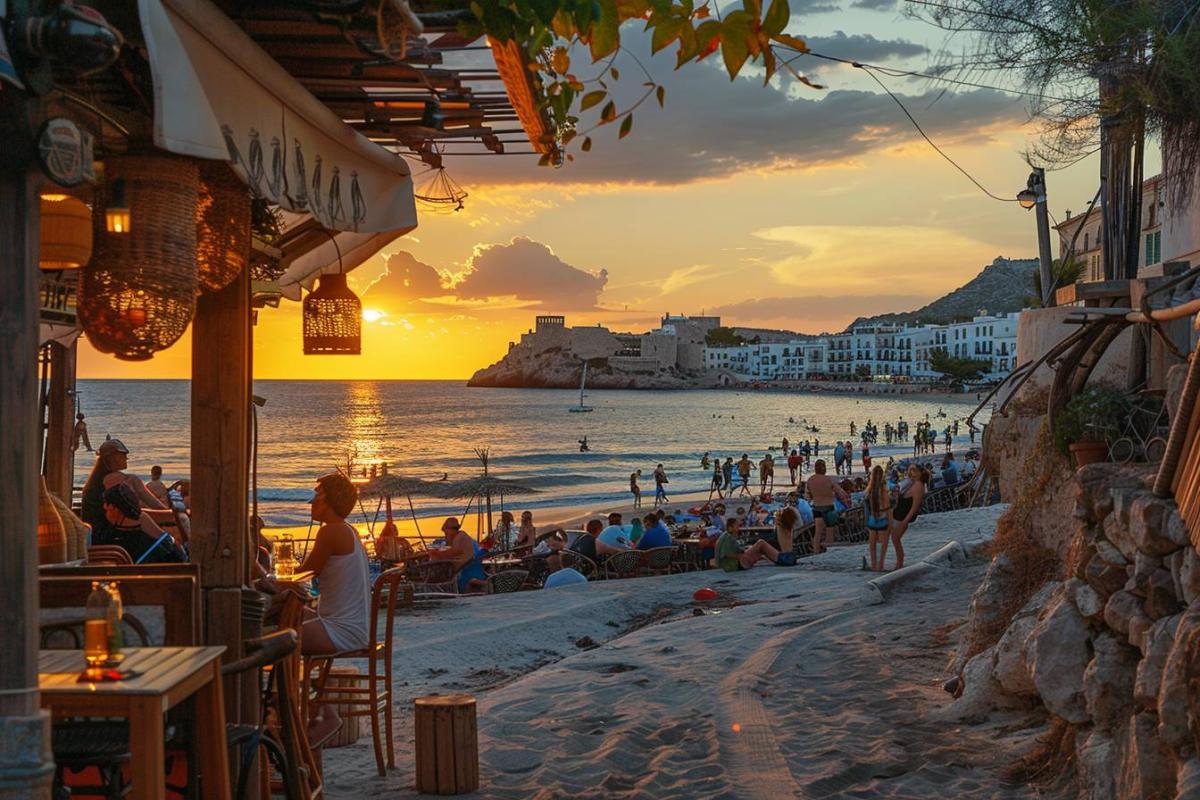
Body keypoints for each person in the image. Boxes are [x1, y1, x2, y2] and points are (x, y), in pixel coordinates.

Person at [296, 473, 371, 654]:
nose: (311, 502)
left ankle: (285, 682)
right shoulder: (348, 529)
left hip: (341, 631)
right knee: (292, 613)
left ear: (329, 499)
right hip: (354, 628)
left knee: (278, 636)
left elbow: (303, 574)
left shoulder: (331, 531)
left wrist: (270, 576)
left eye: (316, 495)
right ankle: (299, 682)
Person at [81, 439, 176, 535]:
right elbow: (133, 513)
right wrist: (172, 516)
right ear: (113, 458)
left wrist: (168, 514)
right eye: (123, 454)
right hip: (108, 533)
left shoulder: (100, 478)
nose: (126, 457)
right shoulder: (114, 479)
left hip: (98, 531)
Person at [95, 483, 185, 564]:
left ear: (113, 508)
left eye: (106, 509)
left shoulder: (114, 541)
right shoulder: (149, 533)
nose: (105, 513)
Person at [806, 459, 850, 556]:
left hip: (816, 507)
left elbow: (808, 496)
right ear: (824, 468)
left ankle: (815, 552)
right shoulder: (828, 479)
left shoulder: (810, 480)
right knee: (830, 531)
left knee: (818, 532)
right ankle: (828, 553)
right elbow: (841, 493)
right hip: (828, 507)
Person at [888, 465, 928, 570]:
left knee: (895, 538)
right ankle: (898, 563)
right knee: (893, 538)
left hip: (903, 516)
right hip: (898, 513)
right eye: (910, 469)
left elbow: (915, 507)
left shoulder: (919, 486)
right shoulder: (911, 483)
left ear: (920, 472)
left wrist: (905, 521)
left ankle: (899, 563)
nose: (911, 472)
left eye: (914, 470)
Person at [715, 516, 780, 571]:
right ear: (730, 527)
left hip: (734, 563)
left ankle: (777, 558)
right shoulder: (727, 537)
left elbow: (734, 550)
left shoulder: (728, 536)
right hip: (731, 565)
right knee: (761, 543)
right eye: (736, 526)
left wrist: (745, 551)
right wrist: (743, 556)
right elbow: (727, 554)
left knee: (758, 549)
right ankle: (779, 558)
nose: (738, 527)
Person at [443, 516, 489, 594]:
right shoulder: (468, 538)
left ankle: (474, 583)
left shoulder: (458, 539)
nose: (445, 535)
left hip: (467, 576)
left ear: (451, 530)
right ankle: (480, 583)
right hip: (480, 573)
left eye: (446, 533)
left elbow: (452, 555)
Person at [864, 466, 892, 571]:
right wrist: (890, 522)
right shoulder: (883, 488)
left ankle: (874, 565)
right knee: (883, 545)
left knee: (872, 546)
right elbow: (887, 506)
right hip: (882, 517)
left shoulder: (870, 489)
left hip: (872, 518)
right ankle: (880, 566)